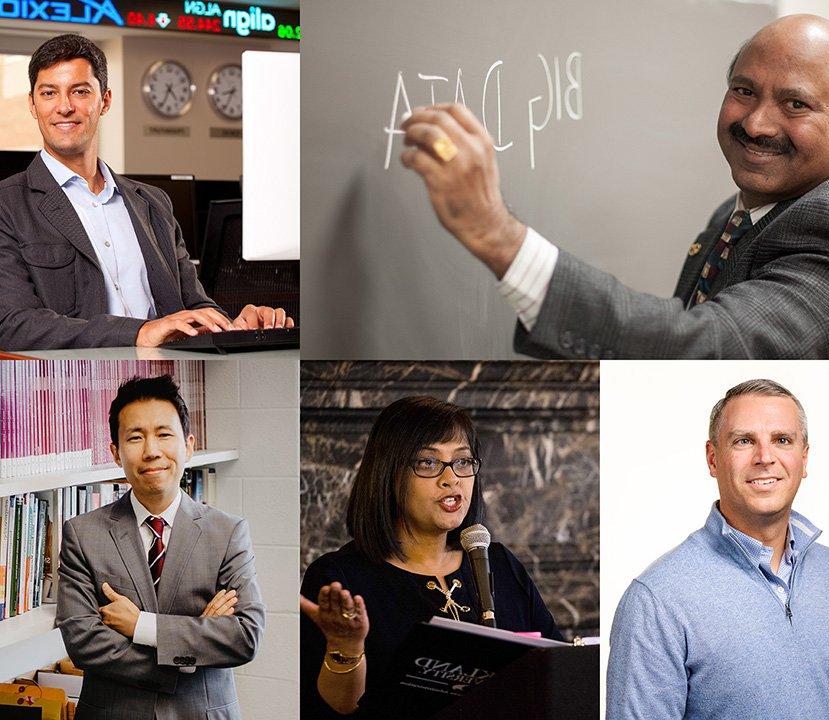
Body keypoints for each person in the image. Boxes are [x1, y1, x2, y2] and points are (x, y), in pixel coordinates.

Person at [399, 14, 829, 359]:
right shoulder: (739, 211)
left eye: (796, 105)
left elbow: (703, 348)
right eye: (744, 91)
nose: (758, 123)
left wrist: (498, 237)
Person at [607, 379, 829, 719]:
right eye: (743, 441)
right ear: (713, 459)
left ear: (804, 457)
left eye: (782, 440)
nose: (765, 457)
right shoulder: (656, 599)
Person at [0, 33, 294, 350]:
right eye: (48, 93)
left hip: (169, 379)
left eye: (80, 91)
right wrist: (139, 333)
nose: (65, 107)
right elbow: (14, 324)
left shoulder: (153, 203)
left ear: (105, 101)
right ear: (33, 104)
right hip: (77, 385)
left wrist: (232, 326)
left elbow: (193, 308)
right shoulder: (9, 204)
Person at [299, 396, 562, 718]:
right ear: (389, 473)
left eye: (463, 461)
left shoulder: (500, 562)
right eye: (428, 463)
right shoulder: (341, 577)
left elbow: (558, 672)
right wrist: (347, 647)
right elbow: (337, 707)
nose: (451, 478)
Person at [55, 375, 264, 719]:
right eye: (135, 438)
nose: (151, 451)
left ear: (189, 445)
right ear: (115, 452)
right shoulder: (82, 533)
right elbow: (83, 642)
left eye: (164, 434)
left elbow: (245, 635)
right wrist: (190, 653)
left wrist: (141, 626)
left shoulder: (228, 532)